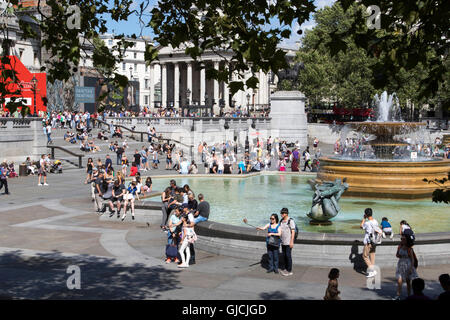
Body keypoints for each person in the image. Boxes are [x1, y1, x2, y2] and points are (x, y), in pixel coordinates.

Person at [393, 235, 418, 300]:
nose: (402, 240)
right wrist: (399, 255)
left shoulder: (410, 249)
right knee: (399, 279)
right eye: (402, 239)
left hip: (408, 264)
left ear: (407, 240)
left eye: (404, 239)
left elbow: (412, 259)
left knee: (408, 281)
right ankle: (398, 295)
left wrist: (411, 268)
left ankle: (409, 295)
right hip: (401, 263)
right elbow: (397, 255)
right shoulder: (399, 247)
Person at [360, 208, 382, 278]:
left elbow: (361, 226)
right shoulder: (375, 221)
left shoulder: (367, 223)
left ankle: (372, 271)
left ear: (366, 214)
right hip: (374, 241)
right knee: (372, 255)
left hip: (369, 242)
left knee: (365, 256)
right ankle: (372, 271)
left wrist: (363, 219)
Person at [279, 208, 296, 276]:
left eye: (283, 213)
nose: (281, 214)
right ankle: (285, 269)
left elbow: (293, 231)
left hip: (288, 242)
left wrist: (291, 241)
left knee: (288, 256)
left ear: (286, 213)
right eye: (281, 213)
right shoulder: (281, 221)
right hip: (283, 241)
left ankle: (289, 270)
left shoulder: (290, 221)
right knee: (284, 255)